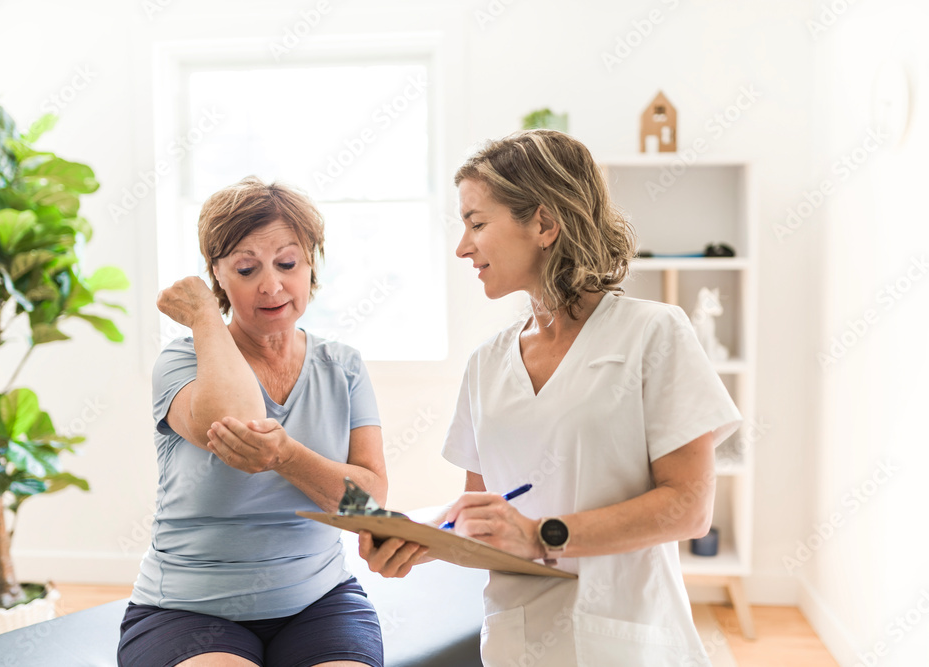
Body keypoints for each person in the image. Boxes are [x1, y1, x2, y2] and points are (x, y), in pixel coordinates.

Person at [359, 130, 742, 666]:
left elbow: (689, 507)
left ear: (543, 224)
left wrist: (541, 536)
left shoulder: (653, 333)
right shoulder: (487, 363)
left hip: (627, 639)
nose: (462, 247)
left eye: (476, 223)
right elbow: (484, 521)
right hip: (517, 642)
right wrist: (419, 539)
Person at [118, 176, 387, 667]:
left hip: (318, 602)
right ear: (216, 274)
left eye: (287, 263)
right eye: (246, 268)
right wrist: (204, 315)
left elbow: (367, 507)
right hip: (186, 610)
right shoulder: (182, 362)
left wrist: (288, 457)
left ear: (311, 264)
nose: (271, 285)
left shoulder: (343, 366)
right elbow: (239, 421)